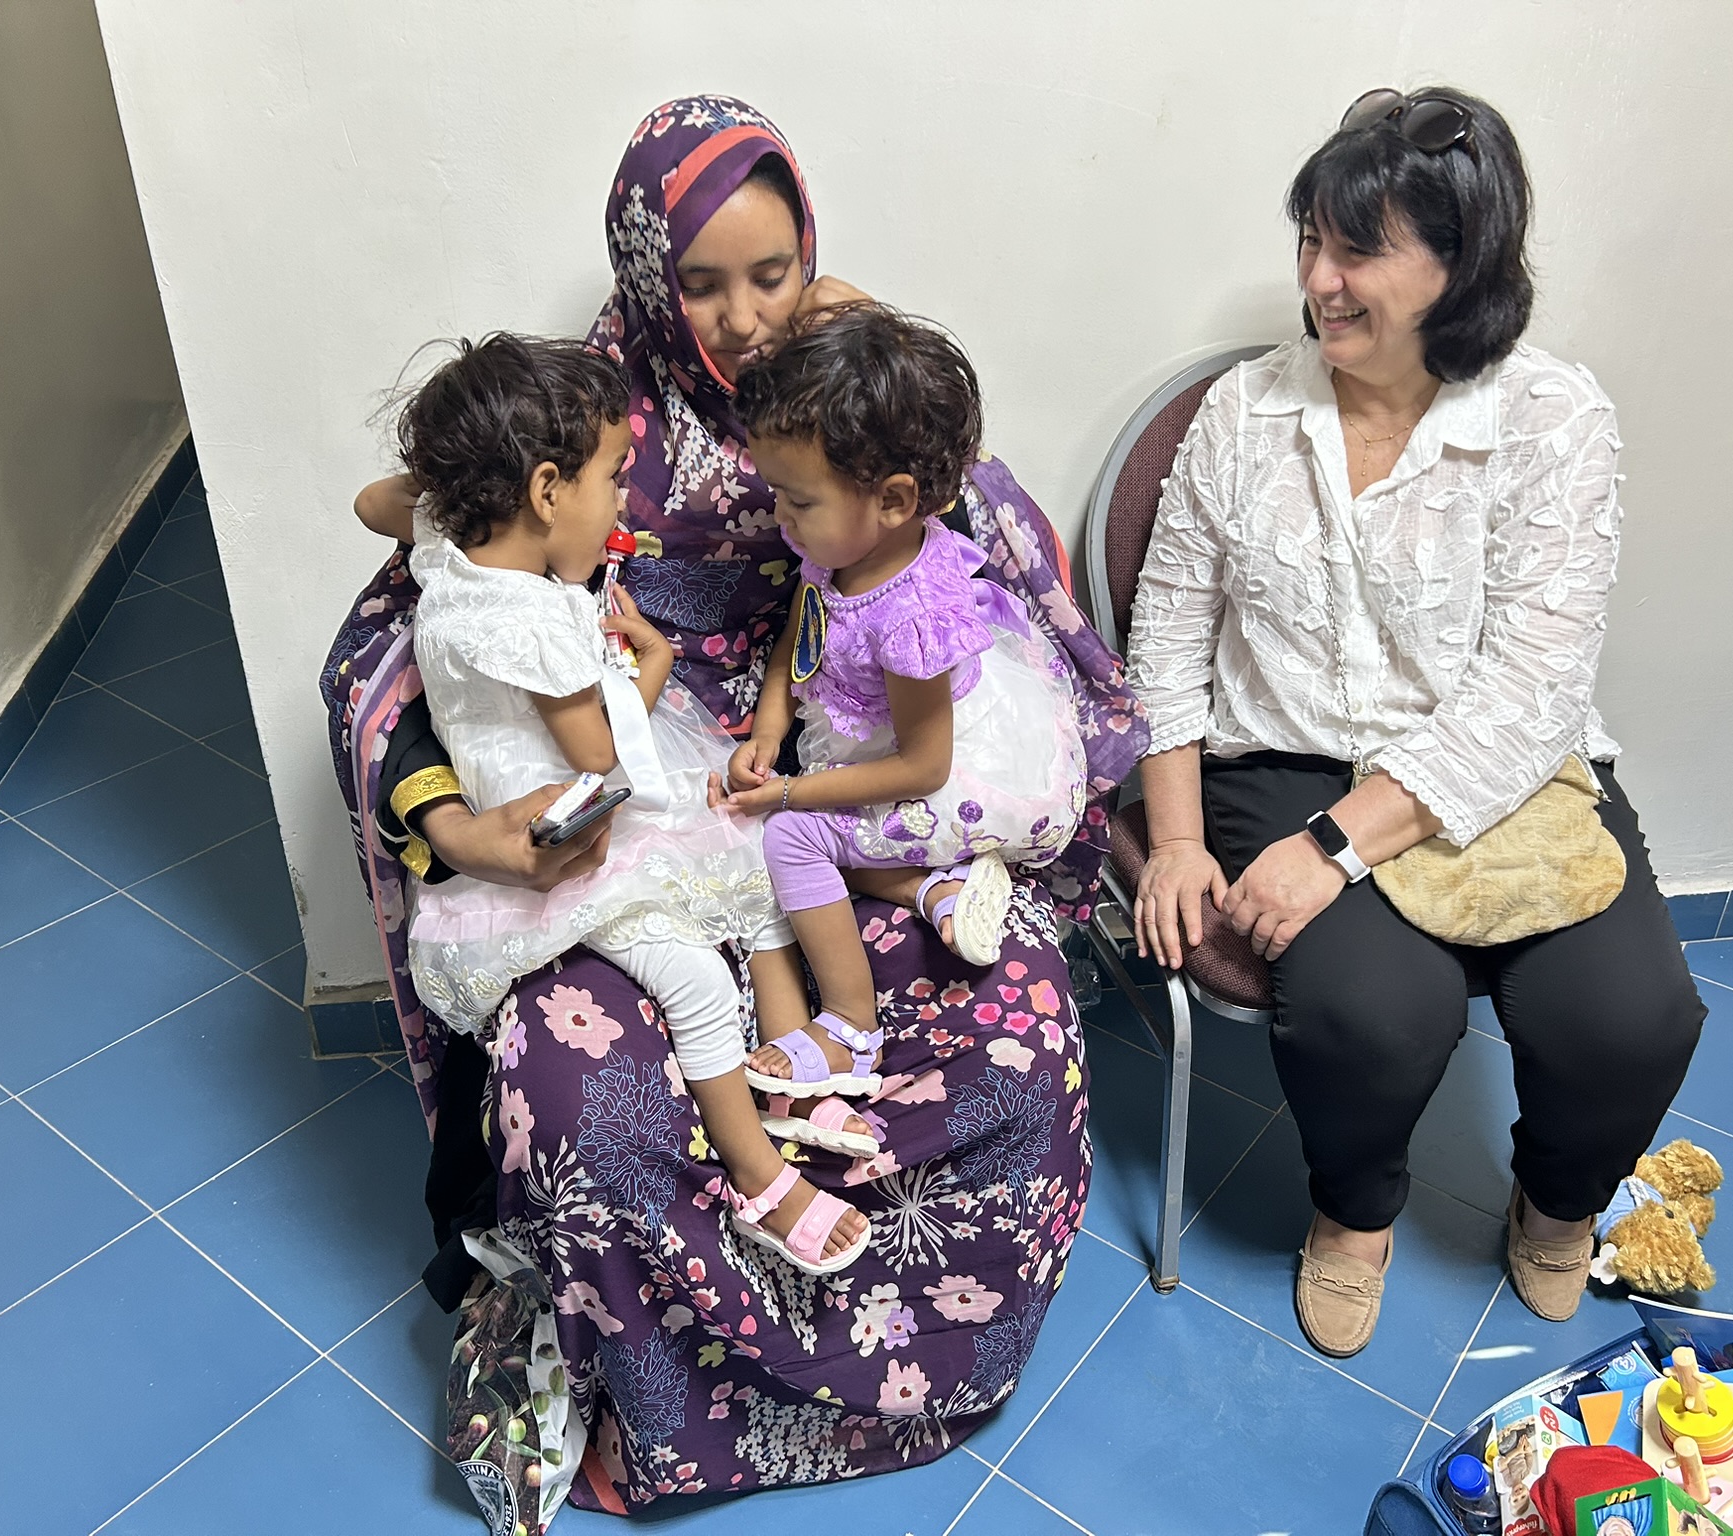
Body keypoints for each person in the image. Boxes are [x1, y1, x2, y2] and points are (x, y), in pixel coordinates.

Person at [321, 95, 1145, 1515]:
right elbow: (399, 616)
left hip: (816, 766)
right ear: (646, 277)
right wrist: (452, 822)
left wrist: (867, 347)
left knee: (1022, 1031)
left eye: (775, 274)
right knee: (579, 1099)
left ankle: (920, 1364)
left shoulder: (844, 390)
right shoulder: (578, 420)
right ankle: (669, 1418)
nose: (746, 317)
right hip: (631, 807)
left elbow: (959, 524)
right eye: (702, 283)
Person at [1126, 86, 1705, 1359]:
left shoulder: (1551, 417)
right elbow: (1164, 634)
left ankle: (1558, 1203)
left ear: (1462, 262)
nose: (1316, 281)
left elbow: (1531, 687)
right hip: (1287, 756)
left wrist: (1338, 846)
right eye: (1308, 242)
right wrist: (1174, 841)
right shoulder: (1242, 416)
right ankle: (1353, 1215)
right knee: (1369, 1015)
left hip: (1498, 765)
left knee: (1633, 1017)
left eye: (1357, 250)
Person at [363, 331, 873, 1274]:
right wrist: (657, 663)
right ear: (546, 490)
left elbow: (372, 502)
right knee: (696, 976)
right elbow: (602, 754)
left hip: (557, 776)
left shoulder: (450, 549)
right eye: (610, 478)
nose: (621, 502)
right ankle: (759, 1174)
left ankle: (786, 1066)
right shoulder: (528, 623)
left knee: (747, 862)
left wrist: (458, 484)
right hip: (566, 832)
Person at [722, 305, 1089, 1099]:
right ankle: (932, 887)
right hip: (886, 744)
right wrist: (770, 728)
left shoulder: (911, 617)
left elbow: (924, 768)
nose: (779, 516)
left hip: (950, 769)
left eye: (797, 501)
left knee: (789, 842)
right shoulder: (842, 542)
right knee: (795, 832)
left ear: (892, 500)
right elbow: (806, 624)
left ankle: (850, 1029)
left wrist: (788, 794)